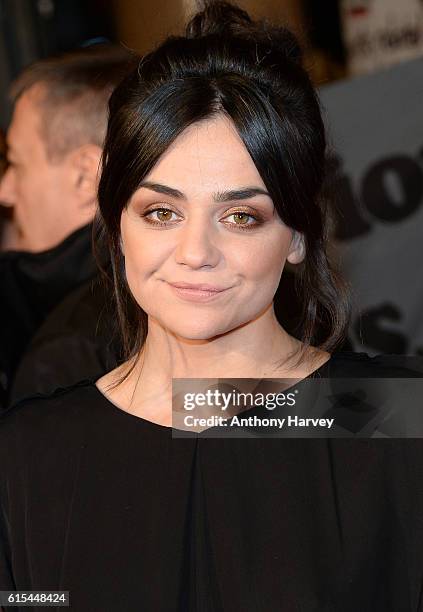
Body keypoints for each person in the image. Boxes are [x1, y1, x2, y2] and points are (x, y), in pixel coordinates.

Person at [1, 2, 423, 610]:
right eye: (162, 212)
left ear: (299, 235)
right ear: (118, 227)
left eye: (241, 216)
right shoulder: (28, 457)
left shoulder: (397, 422)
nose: (195, 251)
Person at [0, 44, 134, 408]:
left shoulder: (66, 356)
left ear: (84, 176)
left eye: (16, 164)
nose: (6, 191)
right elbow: (292, 420)